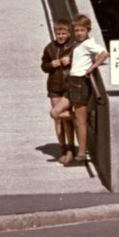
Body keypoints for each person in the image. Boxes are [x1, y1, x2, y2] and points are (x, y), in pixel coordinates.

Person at [64, 12, 109, 166]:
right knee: (56, 112)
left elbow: (104, 53)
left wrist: (92, 67)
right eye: (76, 30)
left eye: (82, 30)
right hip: (73, 81)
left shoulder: (89, 43)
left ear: (88, 30)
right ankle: (87, 117)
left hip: (80, 82)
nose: (79, 33)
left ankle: (81, 156)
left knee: (80, 123)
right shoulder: (78, 43)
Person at [41, 17, 76, 162]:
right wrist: (52, 64)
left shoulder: (74, 47)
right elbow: (44, 66)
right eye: (58, 34)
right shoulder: (50, 48)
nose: (61, 36)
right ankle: (62, 150)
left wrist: (71, 61)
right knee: (57, 119)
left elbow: (82, 62)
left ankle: (70, 150)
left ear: (69, 33)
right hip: (54, 86)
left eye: (63, 33)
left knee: (66, 119)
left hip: (68, 86)